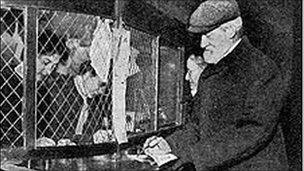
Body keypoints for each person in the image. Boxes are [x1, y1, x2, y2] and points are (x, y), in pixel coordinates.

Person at [143, 0, 288, 170]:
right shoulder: (209, 74)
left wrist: (194, 155)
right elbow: (197, 127)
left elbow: (253, 131)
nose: (202, 43)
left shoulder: (262, 69)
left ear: (231, 29)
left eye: (208, 35)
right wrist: (170, 144)